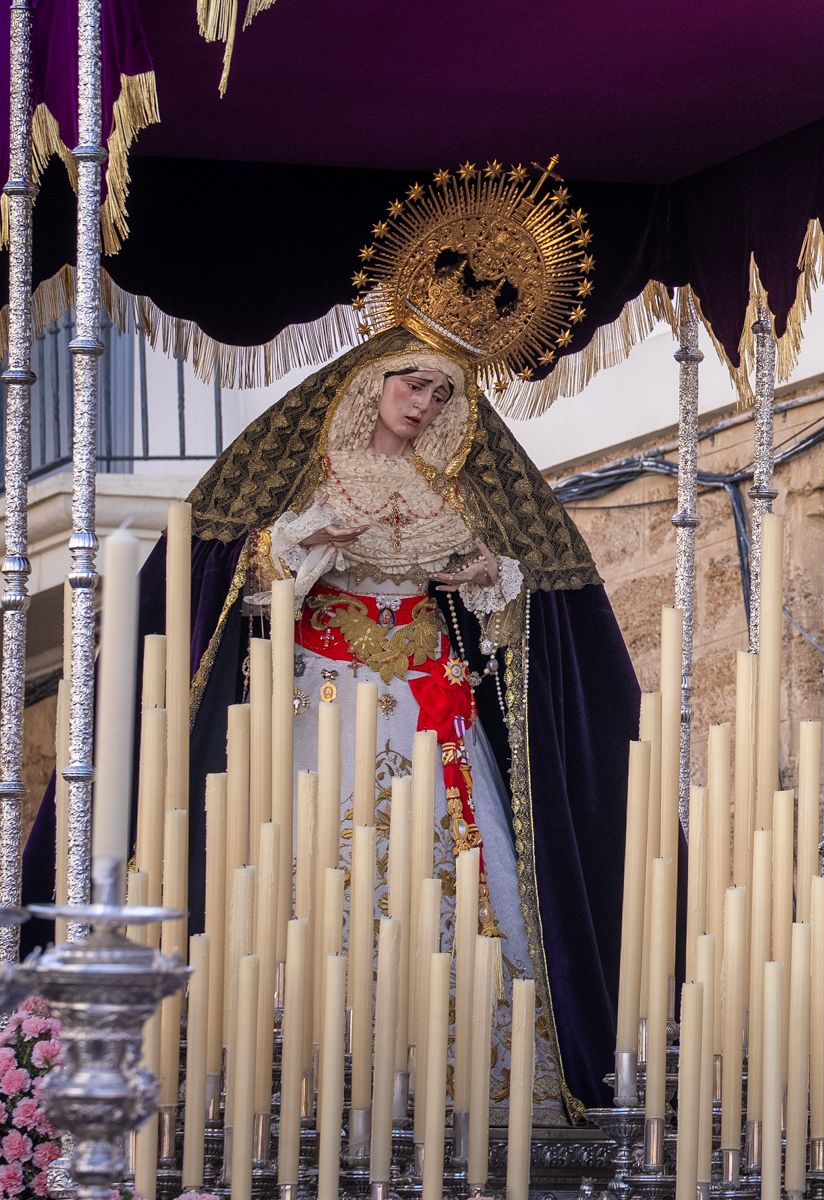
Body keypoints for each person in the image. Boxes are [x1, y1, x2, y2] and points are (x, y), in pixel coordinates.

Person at [24, 168, 641, 1121]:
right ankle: (291, 1073)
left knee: (454, 878)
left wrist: (490, 584)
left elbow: (522, 624)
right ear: (372, 380)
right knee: (310, 867)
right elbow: (239, 594)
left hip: (432, 708)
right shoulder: (303, 466)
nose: (426, 403)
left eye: (442, 391)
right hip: (321, 701)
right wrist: (301, 547)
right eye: (412, 383)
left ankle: (458, 1086)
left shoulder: (462, 490)